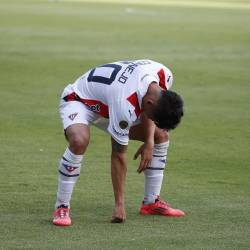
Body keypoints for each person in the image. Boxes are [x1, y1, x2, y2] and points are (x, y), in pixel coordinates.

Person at [53, 59, 185, 226]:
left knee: (161, 135)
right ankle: (62, 206)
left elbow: (148, 107)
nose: (152, 120)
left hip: (110, 103)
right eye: (154, 118)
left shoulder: (163, 74)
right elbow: (118, 155)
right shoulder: (124, 104)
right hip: (80, 100)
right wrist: (119, 205)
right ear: (149, 104)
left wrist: (150, 141)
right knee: (79, 141)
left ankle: (151, 203)